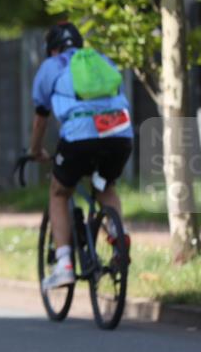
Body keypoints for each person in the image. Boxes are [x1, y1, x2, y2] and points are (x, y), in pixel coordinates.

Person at [29, 21, 133, 290]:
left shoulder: (51, 67)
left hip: (79, 137)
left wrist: (35, 150)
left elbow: (41, 119)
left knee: (59, 192)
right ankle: (119, 238)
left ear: (51, 49)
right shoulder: (102, 61)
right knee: (105, 185)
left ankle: (63, 264)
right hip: (119, 133)